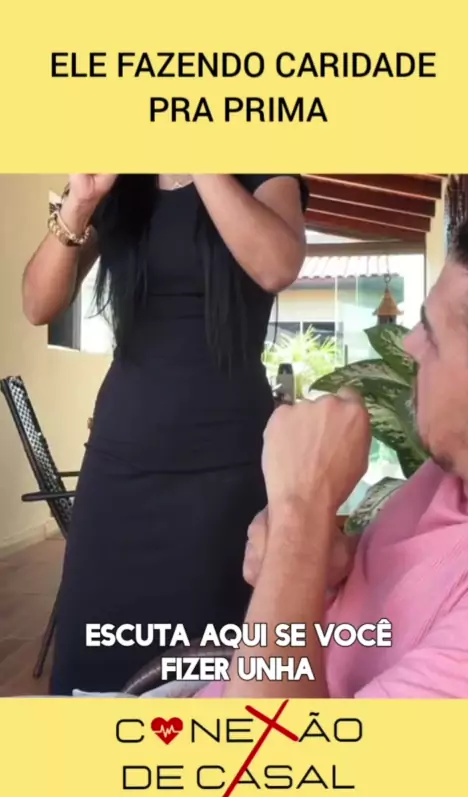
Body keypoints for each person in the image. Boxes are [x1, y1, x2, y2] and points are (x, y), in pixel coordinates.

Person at [22, 173, 308, 694]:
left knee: (209, 669)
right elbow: (38, 305)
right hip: (120, 464)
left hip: (225, 468)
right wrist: (80, 201)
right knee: (92, 656)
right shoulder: (119, 187)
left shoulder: (264, 174)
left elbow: (277, 266)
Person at [197, 212, 468, 700]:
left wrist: (300, 512)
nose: (410, 343)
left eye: (433, 336)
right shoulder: (449, 473)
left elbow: (267, 749)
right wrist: (320, 559)